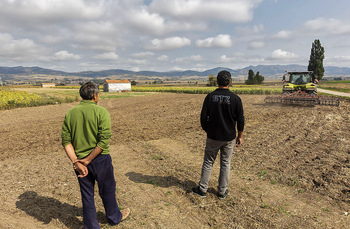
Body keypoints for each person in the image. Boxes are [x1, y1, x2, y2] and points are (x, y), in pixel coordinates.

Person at [61, 81, 130, 228]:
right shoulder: (101, 112)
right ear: (94, 95)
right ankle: (114, 217)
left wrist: (77, 162)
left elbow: (66, 141)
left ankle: (91, 226)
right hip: (100, 160)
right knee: (108, 190)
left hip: (79, 163)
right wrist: (88, 159)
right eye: (98, 93)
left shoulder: (70, 113)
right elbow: (104, 140)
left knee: (87, 195)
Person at [192, 70, 244, 199]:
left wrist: (208, 130)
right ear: (230, 82)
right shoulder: (236, 99)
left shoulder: (210, 97)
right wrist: (240, 136)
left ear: (217, 82)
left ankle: (202, 189)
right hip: (229, 137)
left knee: (208, 162)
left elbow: (203, 118)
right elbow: (241, 119)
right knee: (225, 163)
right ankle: (222, 191)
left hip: (213, 136)